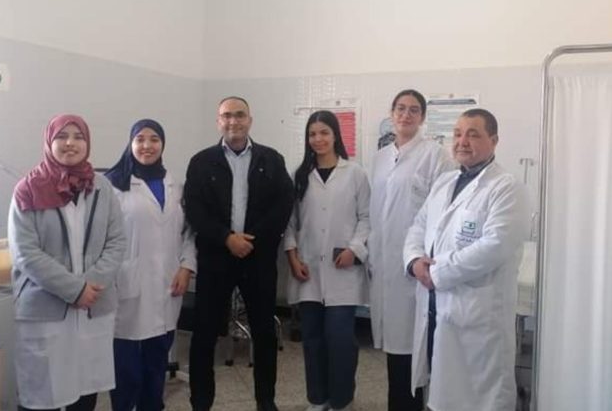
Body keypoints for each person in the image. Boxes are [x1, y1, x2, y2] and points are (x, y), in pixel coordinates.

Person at [403, 108, 529, 411]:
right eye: (458, 134)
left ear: (494, 140)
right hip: (437, 305)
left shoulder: (507, 187)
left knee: (478, 398)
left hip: (477, 315)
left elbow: (495, 245)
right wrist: (415, 260)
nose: (462, 141)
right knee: (441, 391)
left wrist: (437, 273)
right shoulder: (445, 182)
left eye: (473, 134)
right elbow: (419, 226)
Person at [8, 114, 126, 411]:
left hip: (93, 305)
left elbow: (116, 241)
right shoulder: (28, 189)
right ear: (49, 141)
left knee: (85, 390)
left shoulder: (102, 187)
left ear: (88, 143)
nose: (70, 143)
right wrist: (74, 290)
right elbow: (25, 252)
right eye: (62, 136)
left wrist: (91, 285)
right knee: (42, 395)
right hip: (45, 307)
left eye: (78, 136)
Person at [183, 96, 294, 411]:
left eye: (240, 115)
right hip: (216, 258)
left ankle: (266, 401)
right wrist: (226, 238)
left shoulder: (271, 159)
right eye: (227, 115)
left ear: (250, 120)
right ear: (218, 121)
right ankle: (201, 402)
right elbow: (195, 209)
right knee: (204, 333)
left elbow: (283, 205)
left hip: (258, 259)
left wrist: (250, 240)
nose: (234, 121)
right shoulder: (201, 162)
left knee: (264, 333)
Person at [368, 89, 454, 411]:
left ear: (422, 117)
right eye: (401, 109)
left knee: (413, 352)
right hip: (384, 265)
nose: (406, 115)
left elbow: (442, 213)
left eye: (414, 110)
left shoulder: (435, 155)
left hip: (414, 266)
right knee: (395, 353)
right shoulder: (380, 158)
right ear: (391, 113)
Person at [105, 119, 197, 411]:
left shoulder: (174, 184)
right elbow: (100, 238)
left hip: (168, 283)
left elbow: (189, 232)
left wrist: (186, 267)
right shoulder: (112, 186)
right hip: (126, 285)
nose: (147, 145)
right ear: (130, 143)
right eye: (140, 139)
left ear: (163, 144)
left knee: (157, 361)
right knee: (126, 367)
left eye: (154, 139)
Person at [284, 111, 371, 411]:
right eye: (312, 134)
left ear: (335, 135)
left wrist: (354, 249)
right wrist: (292, 257)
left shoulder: (355, 173)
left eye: (324, 133)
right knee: (312, 339)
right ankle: (317, 398)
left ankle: (342, 400)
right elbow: (290, 223)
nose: (318, 139)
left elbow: (366, 217)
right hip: (308, 270)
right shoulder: (299, 176)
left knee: (340, 339)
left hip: (342, 270)